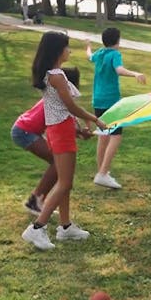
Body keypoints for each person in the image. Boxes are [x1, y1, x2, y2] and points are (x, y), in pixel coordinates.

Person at [22, 32, 106, 251]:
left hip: (61, 129)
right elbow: (71, 107)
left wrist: (80, 128)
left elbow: (62, 110)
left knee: (64, 179)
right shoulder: (57, 76)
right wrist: (94, 119)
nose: (70, 51)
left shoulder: (52, 74)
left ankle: (66, 227)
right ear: (57, 51)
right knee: (65, 183)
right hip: (60, 132)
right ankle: (37, 228)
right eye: (67, 47)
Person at [11, 67, 90, 216]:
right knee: (57, 162)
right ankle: (36, 200)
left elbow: (68, 123)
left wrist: (80, 132)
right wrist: (83, 130)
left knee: (58, 162)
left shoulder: (56, 97)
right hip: (24, 131)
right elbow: (65, 122)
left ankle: (37, 199)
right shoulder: (60, 99)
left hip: (24, 129)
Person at [86, 28, 146, 189]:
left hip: (97, 100)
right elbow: (118, 70)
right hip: (110, 100)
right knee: (116, 136)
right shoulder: (114, 54)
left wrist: (88, 46)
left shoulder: (99, 53)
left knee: (103, 135)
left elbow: (89, 56)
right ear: (117, 41)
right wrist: (135, 74)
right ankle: (103, 173)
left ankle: (102, 172)